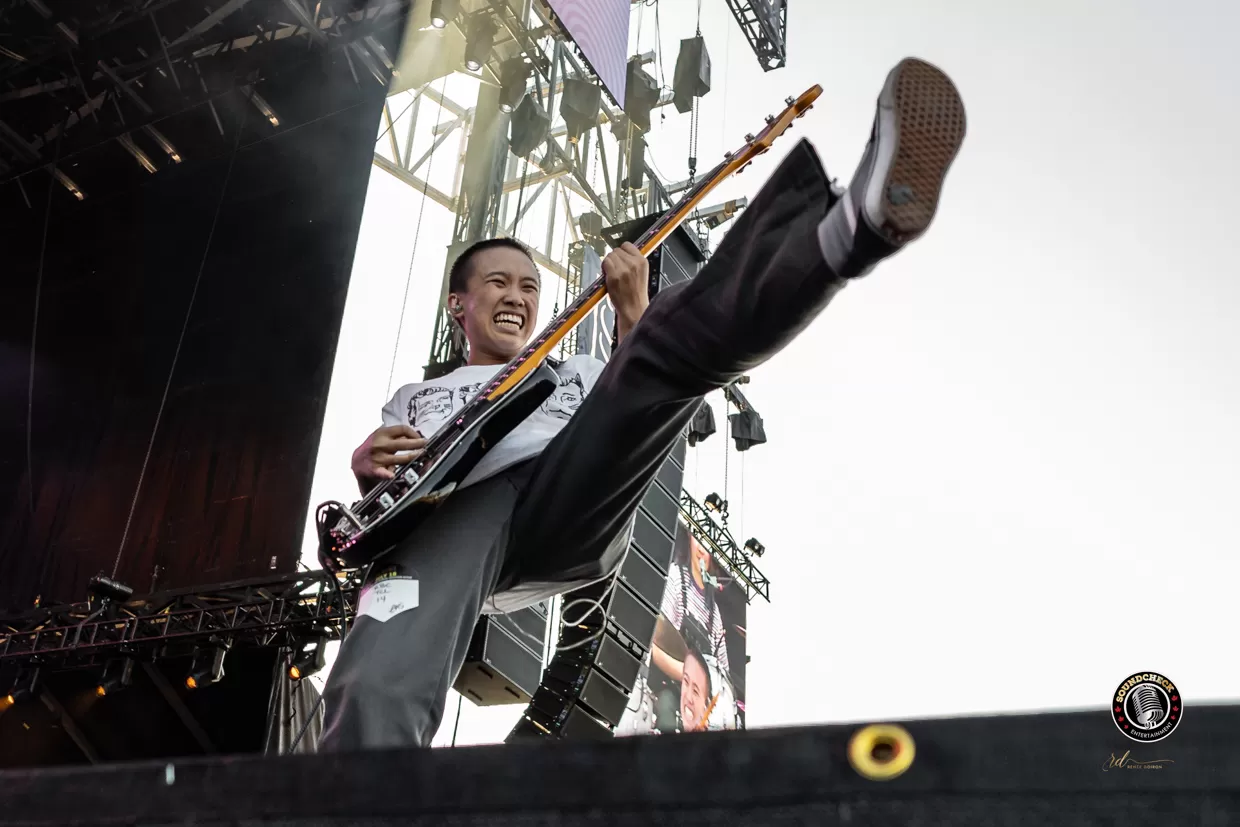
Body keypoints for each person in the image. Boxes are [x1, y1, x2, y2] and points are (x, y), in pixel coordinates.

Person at [318, 56, 967, 750]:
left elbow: (638, 404)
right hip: (464, 517)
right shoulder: (417, 397)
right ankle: (358, 784)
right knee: (378, 672)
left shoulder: (572, 371)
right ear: (459, 305)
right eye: (498, 283)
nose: (517, 296)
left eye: (530, 286)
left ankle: (849, 231)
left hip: (567, 491)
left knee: (661, 349)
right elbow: (389, 500)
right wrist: (368, 465)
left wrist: (634, 311)